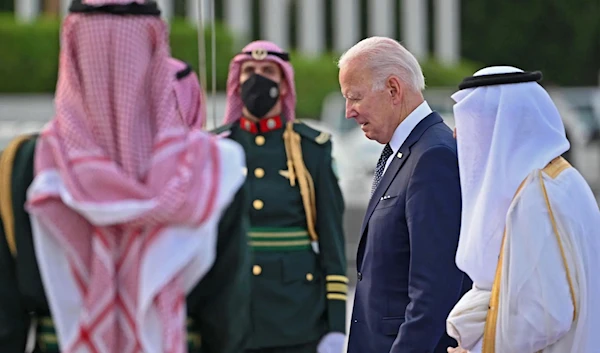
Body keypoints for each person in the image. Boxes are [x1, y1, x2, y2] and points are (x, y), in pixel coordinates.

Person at [0, 1, 251, 352]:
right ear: (155, 51)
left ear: (70, 53)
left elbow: (6, 318)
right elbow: (227, 316)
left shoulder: (29, 164)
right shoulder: (210, 166)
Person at [446, 66, 600, 353]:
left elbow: (541, 318)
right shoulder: (561, 179)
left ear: (500, 125)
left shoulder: (536, 198)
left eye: (469, 123)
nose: (458, 135)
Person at [337, 36, 471, 353]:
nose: (348, 112)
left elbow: (435, 290)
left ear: (394, 90)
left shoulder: (432, 156)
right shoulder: (405, 152)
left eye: (355, 97)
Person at [212, 40, 347, 353]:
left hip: (296, 317)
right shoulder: (217, 148)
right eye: (250, 71)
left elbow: (332, 245)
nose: (257, 79)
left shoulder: (310, 149)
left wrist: (336, 325)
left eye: (268, 71)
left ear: (284, 84)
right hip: (230, 312)